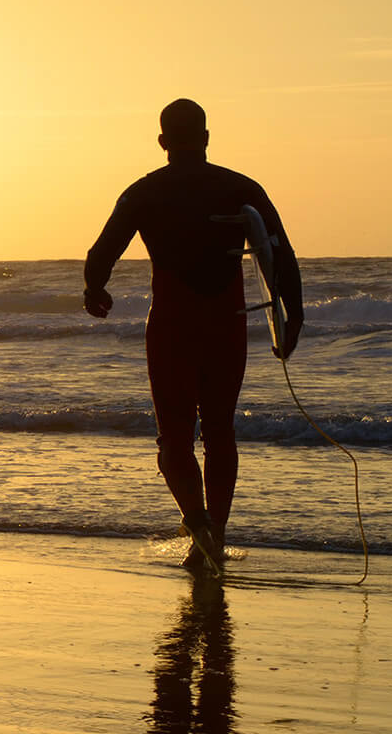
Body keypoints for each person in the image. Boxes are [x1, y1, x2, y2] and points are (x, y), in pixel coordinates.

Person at [83, 99, 303, 571]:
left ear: (163, 142)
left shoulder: (143, 193)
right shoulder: (240, 188)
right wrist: (293, 314)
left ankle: (197, 527)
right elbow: (280, 253)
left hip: (172, 328)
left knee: (174, 440)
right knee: (221, 431)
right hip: (227, 324)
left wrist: (95, 291)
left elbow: (100, 254)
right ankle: (215, 537)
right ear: (206, 136)